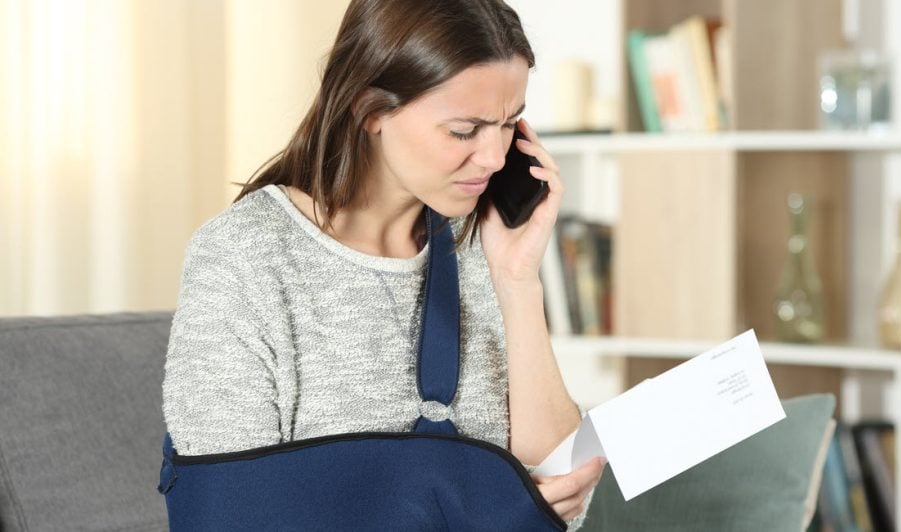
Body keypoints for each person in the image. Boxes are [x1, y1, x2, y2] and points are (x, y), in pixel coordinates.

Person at [161, 0, 604, 529]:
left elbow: (562, 503)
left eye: (509, 125)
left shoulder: (483, 247)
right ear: (370, 110)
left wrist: (518, 281)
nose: (493, 157)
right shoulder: (245, 258)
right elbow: (230, 512)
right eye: (465, 130)